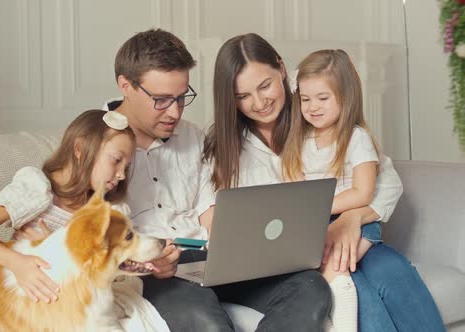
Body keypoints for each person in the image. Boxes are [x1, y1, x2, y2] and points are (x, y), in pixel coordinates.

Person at [204, 32, 445, 332]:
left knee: (392, 270)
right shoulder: (224, 147)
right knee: (356, 288)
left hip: (347, 226)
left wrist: (353, 218)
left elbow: (387, 181)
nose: (259, 103)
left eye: (265, 86)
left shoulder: (316, 112)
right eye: (242, 96)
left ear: (282, 70)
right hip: (300, 256)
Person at [101, 28, 331, 332]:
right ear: (126, 86)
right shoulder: (96, 139)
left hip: (206, 258)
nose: (174, 111)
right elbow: (86, 221)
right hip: (150, 269)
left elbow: (210, 211)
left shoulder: (193, 137)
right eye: (161, 100)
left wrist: (240, 250)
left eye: (182, 97)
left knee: (309, 286)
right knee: (207, 323)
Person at [0, 109, 135, 303]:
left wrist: (53, 245)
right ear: (81, 149)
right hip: (22, 295)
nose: (122, 175)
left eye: (126, 167)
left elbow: (105, 272)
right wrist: (17, 263)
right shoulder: (37, 189)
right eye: (116, 160)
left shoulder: (108, 212)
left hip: (71, 299)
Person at [280, 49, 383, 331]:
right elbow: (296, 189)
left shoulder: (356, 137)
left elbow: (363, 193)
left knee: (333, 269)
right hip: (318, 221)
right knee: (306, 276)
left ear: (345, 97)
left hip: (356, 224)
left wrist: (317, 208)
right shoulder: (300, 140)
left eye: (322, 98)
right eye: (305, 99)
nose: (313, 107)